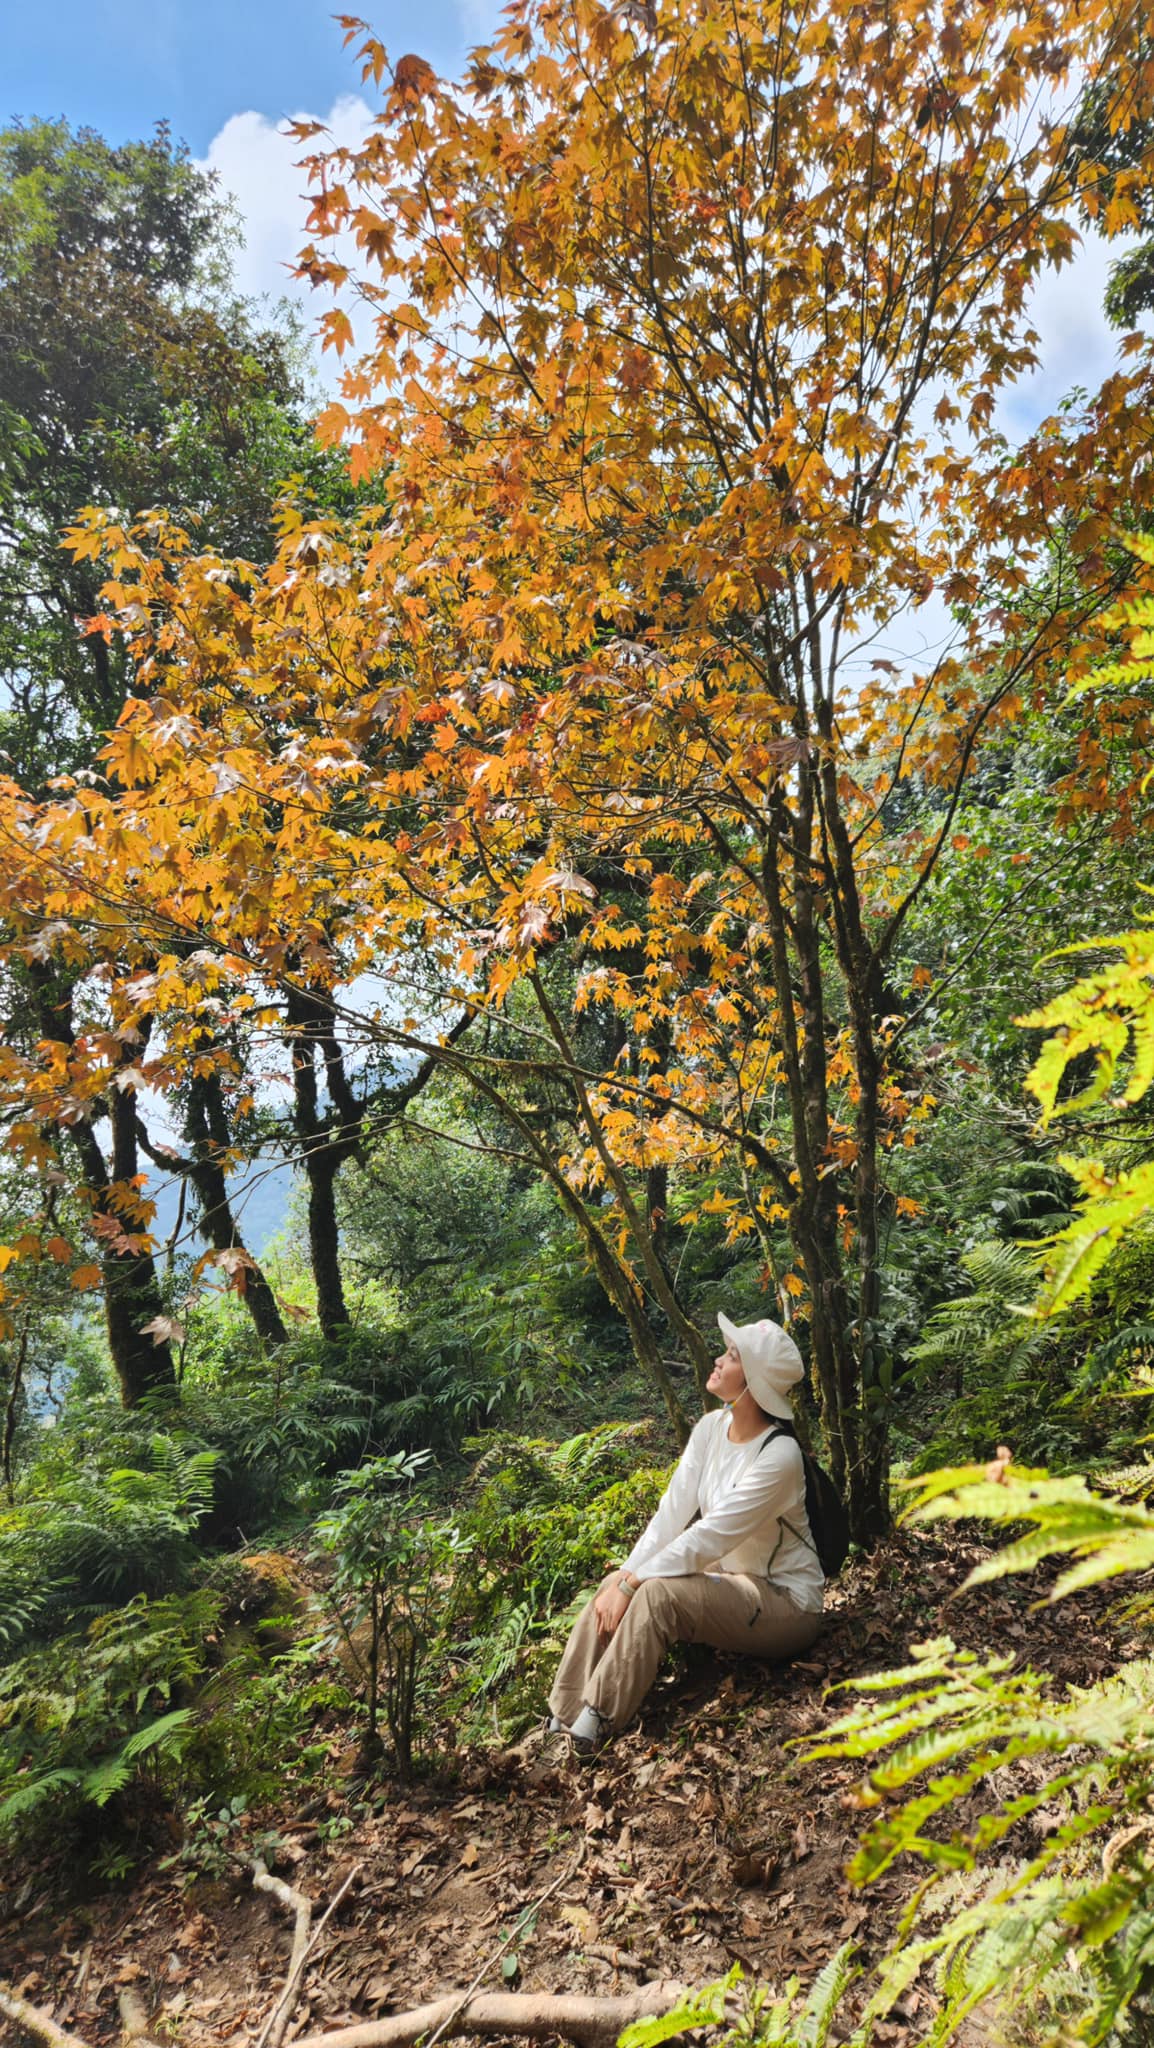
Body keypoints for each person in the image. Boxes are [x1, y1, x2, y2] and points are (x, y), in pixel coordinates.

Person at [547, 1312, 824, 1754]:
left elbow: (710, 1536)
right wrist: (624, 1577)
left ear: (752, 1380)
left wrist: (636, 1583)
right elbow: (671, 1516)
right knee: (613, 1584)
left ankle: (594, 1722)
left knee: (657, 1595)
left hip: (785, 1602)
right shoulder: (712, 1429)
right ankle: (563, 1713)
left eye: (731, 1355)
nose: (717, 1359)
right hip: (735, 1579)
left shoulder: (780, 1455)